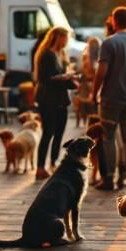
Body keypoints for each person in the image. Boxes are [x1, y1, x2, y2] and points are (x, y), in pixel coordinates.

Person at [91, 6, 126, 190]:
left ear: (114, 21)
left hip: (110, 99)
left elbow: (102, 72)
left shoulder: (108, 43)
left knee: (108, 137)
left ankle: (108, 178)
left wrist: (94, 93)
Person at [33, 27, 78, 180]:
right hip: (48, 98)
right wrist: (65, 76)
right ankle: (40, 167)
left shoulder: (62, 54)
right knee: (48, 132)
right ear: (57, 37)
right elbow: (46, 78)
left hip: (61, 98)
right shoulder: (46, 54)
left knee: (59, 133)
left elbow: (63, 79)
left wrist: (72, 81)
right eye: (64, 38)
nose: (66, 41)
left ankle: (53, 163)